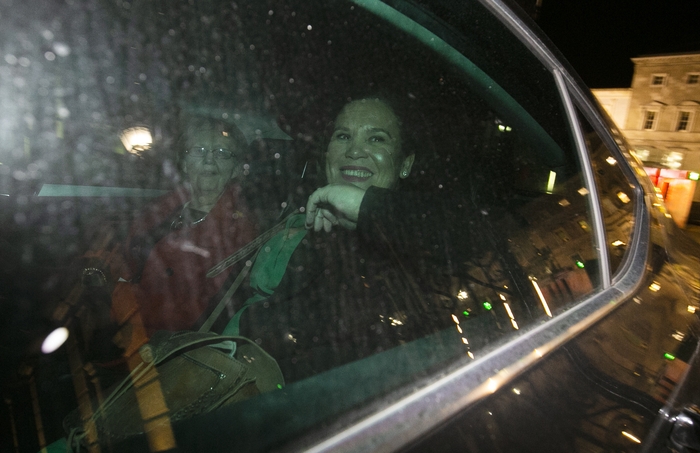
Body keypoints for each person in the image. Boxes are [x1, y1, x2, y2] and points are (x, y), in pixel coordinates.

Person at [237, 97, 483, 381]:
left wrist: (368, 207)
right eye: (343, 136)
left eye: (376, 139)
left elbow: (475, 233)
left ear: (405, 164)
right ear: (327, 154)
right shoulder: (313, 234)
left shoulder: (425, 242)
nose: (354, 151)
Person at [81, 115, 259, 359]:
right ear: (184, 162)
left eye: (221, 152)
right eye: (199, 150)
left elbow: (187, 312)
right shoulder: (163, 209)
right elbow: (124, 255)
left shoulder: (238, 233)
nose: (209, 159)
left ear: (238, 168)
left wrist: (116, 301)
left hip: (159, 352)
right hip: (120, 329)